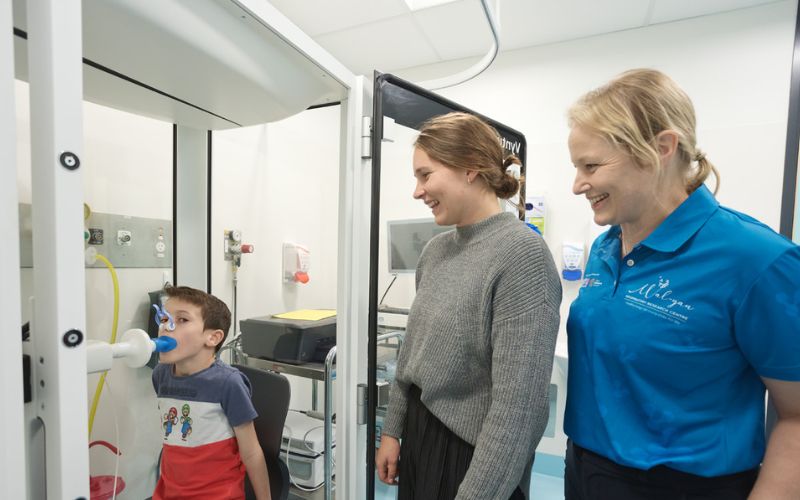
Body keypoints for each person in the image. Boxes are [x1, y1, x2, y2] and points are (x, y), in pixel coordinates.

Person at [564, 68, 800, 500]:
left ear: (661, 148)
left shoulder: (756, 259)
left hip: (682, 485)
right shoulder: (605, 246)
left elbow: (798, 416)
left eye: (591, 165)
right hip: (585, 466)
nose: (578, 184)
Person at [376, 112, 562, 500]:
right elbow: (413, 351)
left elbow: (519, 411)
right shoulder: (436, 250)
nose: (417, 191)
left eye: (425, 175)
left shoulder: (522, 255)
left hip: (475, 455)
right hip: (422, 433)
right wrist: (393, 430)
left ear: (470, 168)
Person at [151, 285, 271, 500]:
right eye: (163, 319)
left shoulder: (228, 383)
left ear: (213, 338)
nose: (166, 327)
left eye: (182, 320)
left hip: (217, 494)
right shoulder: (160, 375)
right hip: (169, 492)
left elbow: (251, 452)